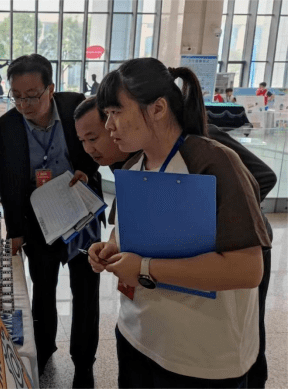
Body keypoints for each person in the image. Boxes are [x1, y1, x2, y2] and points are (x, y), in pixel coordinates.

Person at [89, 57, 271, 388]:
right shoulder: (133, 167)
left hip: (200, 357)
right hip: (137, 335)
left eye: (116, 112)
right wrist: (110, 248)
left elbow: (246, 270)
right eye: (107, 115)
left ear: (157, 108)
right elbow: (123, 232)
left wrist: (144, 267)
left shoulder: (213, 163)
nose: (108, 126)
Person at [0, 53, 102, 388]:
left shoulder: (76, 109)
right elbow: (7, 181)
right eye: (17, 95)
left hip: (82, 219)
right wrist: (15, 230)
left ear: (51, 88)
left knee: (86, 294)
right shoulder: (7, 127)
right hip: (40, 220)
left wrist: (89, 171)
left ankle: (84, 364)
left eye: (32, 95)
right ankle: (43, 350)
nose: (24, 103)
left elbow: (100, 149)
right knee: (43, 292)